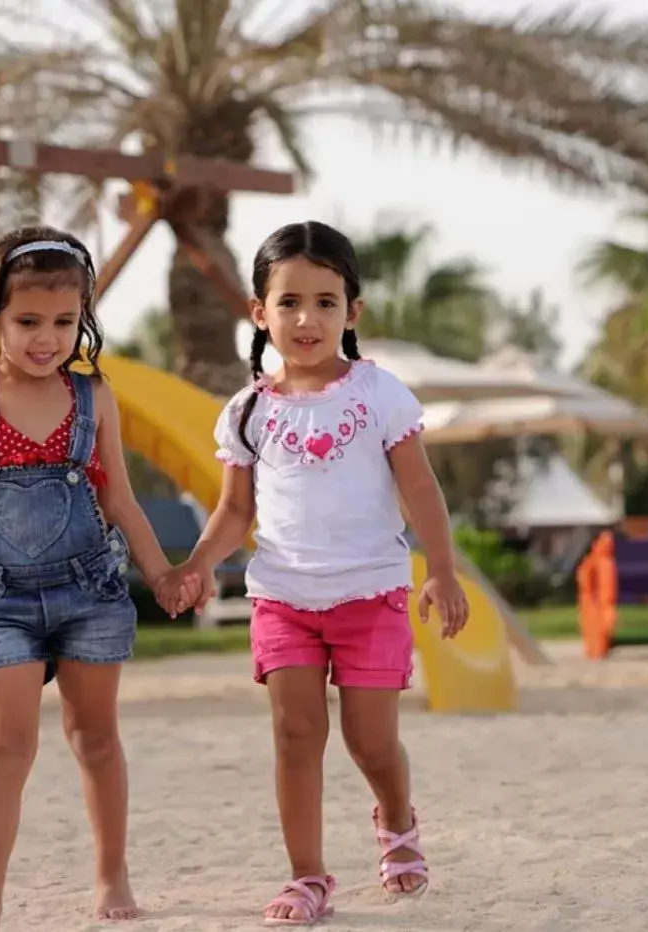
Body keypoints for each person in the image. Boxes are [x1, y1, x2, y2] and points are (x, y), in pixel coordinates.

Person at [160, 221, 469, 925]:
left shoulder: (380, 396)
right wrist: (198, 564)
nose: (306, 318)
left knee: (368, 739)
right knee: (296, 736)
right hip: (283, 597)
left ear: (351, 312)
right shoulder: (245, 412)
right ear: (258, 311)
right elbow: (234, 510)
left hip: (372, 593)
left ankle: (395, 820)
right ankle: (306, 877)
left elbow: (420, 489)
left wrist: (440, 571)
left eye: (326, 302)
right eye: (290, 301)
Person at [0, 225, 203, 932]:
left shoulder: (92, 396)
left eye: (64, 322)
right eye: (28, 321)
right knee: (7, 744)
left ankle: (110, 874)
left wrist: (159, 573)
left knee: (93, 736)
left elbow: (119, 497)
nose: (47, 338)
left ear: (82, 321)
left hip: (89, 592)